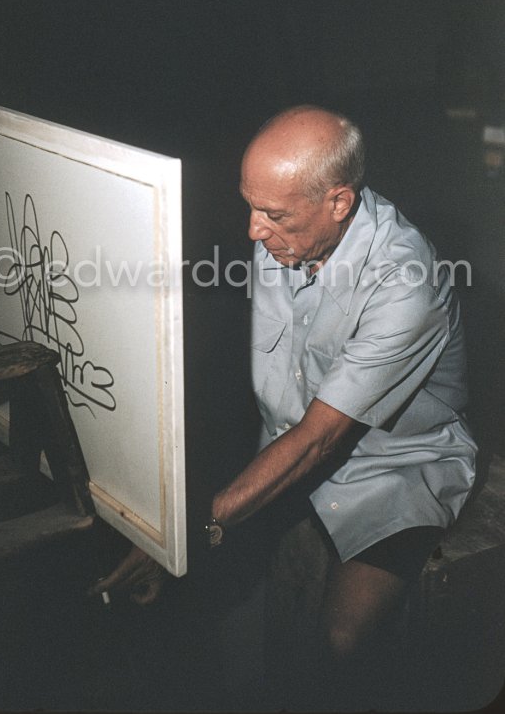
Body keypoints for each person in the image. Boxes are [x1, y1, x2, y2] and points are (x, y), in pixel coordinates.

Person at [91, 105, 477, 707]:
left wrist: (198, 531)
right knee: (211, 611)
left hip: (391, 468)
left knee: (343, 641)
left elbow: (321, 440)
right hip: (285, 442)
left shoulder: (406, 281)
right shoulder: (286, 235)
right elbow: (270, 402)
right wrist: (170, 527)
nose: (252, 230)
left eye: (272, 214)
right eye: (250, 205)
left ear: (339, 202)